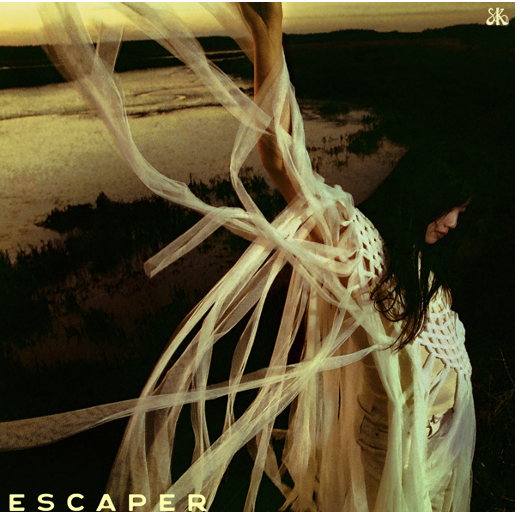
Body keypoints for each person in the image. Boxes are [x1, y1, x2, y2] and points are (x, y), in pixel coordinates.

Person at [0, 3, 475, 512]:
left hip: (440, 459)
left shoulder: (426, 269)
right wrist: (268, 34)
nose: (452, 224)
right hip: (396, 470)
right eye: (448, 208)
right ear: (420, 192)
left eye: (461, 214)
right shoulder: (359, 246)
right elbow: (283, 160)